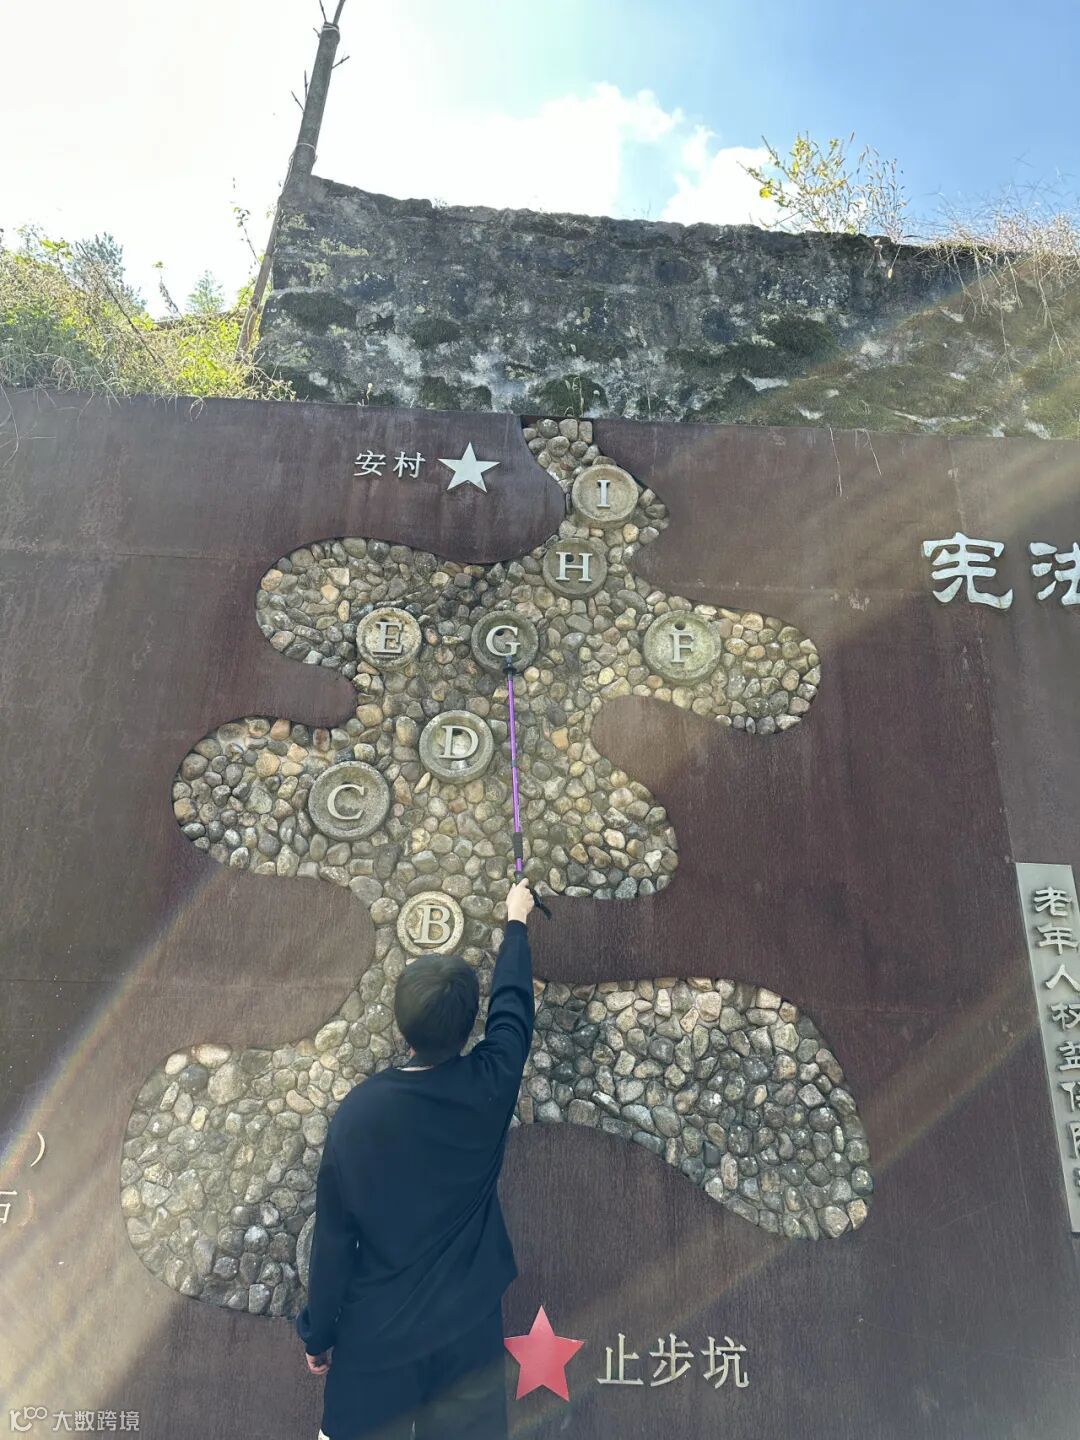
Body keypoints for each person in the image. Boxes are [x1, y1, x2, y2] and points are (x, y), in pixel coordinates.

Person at [297, 876, 537, 1440]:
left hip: (375, 1339)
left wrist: (319, 1334)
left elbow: (333, 1242)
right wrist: (517, 924)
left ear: (402, 1023)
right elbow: (512, 1016)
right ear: (467, 1027)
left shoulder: (358, 1115)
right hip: (467, 1336)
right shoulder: (489, 1085)